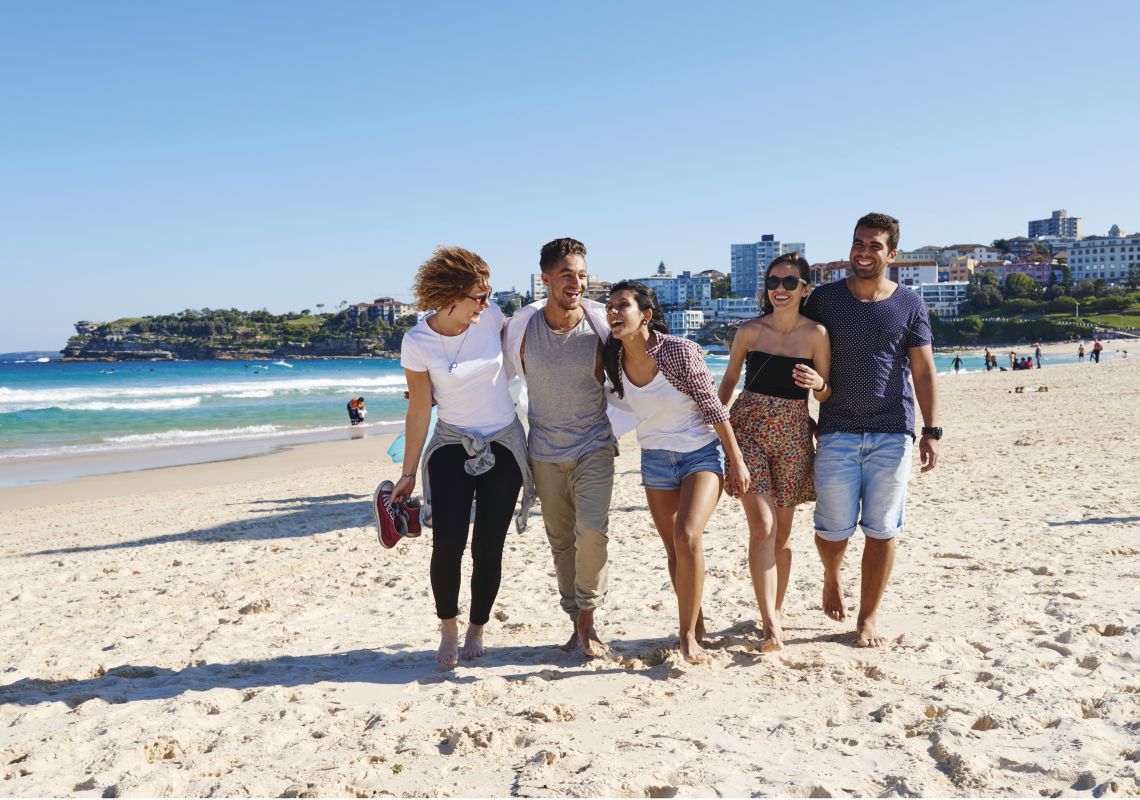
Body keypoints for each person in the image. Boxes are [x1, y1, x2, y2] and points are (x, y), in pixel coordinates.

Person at [802, 212, 940, 648]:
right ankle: (831, 575)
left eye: (874, 246)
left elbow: (923, 369)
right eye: (858, 243)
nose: (863, 252)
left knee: (882, 529)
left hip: (892, 430)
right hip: (836, 428)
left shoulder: (910, 303)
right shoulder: (823, 299)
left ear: (892, 254)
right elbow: (790, 343)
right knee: (832, 529)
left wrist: (931, 430)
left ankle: (868, 618)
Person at [392, 246, 534, 666]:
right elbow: (419, 408)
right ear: (451, 294)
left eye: (488, 294)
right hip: (452, 443)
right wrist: (407, 472)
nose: (487, 303)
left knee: (489, 546)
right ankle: (449, 628)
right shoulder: (417, 342)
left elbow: (527, 347)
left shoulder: (490, 318)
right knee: (449, 542)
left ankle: (477, 627)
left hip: (504, 443)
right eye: (479, 295)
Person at [602, 280, 749, 663]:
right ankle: (695, 623)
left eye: (622, 306)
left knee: (687, 536)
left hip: (699, 455)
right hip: (654, 460)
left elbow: (714, 407)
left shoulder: (680, 352)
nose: (613, 312)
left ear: (646, 315)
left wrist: (735, 459)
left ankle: (686, 637)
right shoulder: (613, 361)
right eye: (610, 307)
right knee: (674, 549)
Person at [503, 237, 627, 658]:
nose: (576, 283)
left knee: (591, 531)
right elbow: (489, 375)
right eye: (566, 275)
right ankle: (576, 623)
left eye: (581, 275)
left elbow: (643, 359)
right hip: (544, 451)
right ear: (546, 279)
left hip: (593, 442)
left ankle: (589, 621)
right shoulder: (521, 329)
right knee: (561, 542)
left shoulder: (600, 327)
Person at [717, 253, 831, 651]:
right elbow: (729, 381)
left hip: (794, 433)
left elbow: (826, 392)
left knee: (782, 536)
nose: (779, 290)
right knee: (762, 527)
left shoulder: (816, 334)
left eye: (788, 283)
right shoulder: (749, 331)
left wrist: (818, 382)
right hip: (748, 427)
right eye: (773, 282)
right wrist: (717, 430)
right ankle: (770, 626)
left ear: (804, 289)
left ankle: (775, 612)